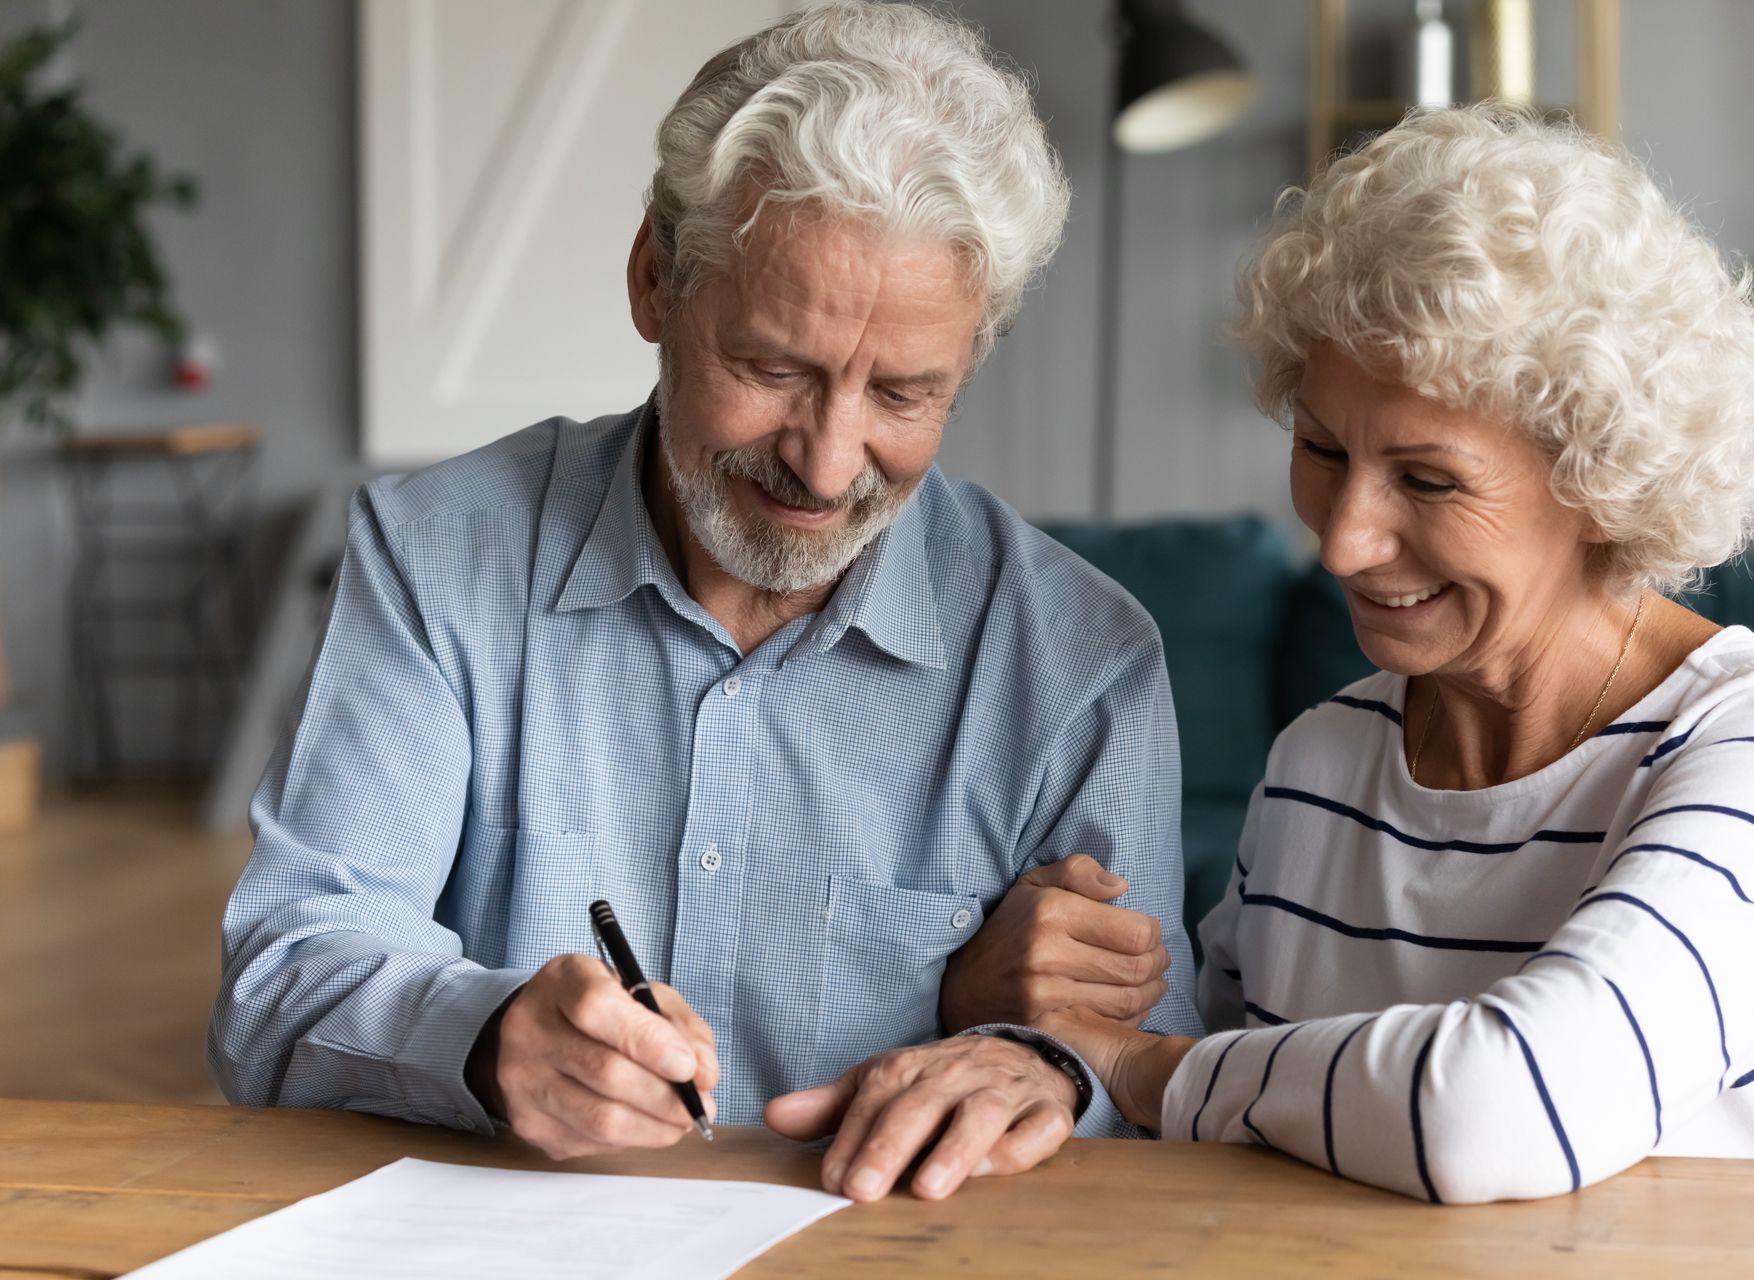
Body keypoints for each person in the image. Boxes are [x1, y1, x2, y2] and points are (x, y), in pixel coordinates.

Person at [208, 2, 1196, 1204]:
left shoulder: (1082, 662)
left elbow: (1150, 1078)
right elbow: (281, 976)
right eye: (772, 369)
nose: (828, 464)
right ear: (653, 282)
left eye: (901, 392)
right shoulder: (434, 561)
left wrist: (1032, 1055)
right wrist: (480, 1033)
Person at [1025, 104, 1754, 1201]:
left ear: (1601, 479)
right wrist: (1047, 1005)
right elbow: (1236, 1127)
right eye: (1321, 448)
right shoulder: (1319, 764)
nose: (1343, 537)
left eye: (1429, 480)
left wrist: (1147, 1067)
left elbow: (1512, 1106)